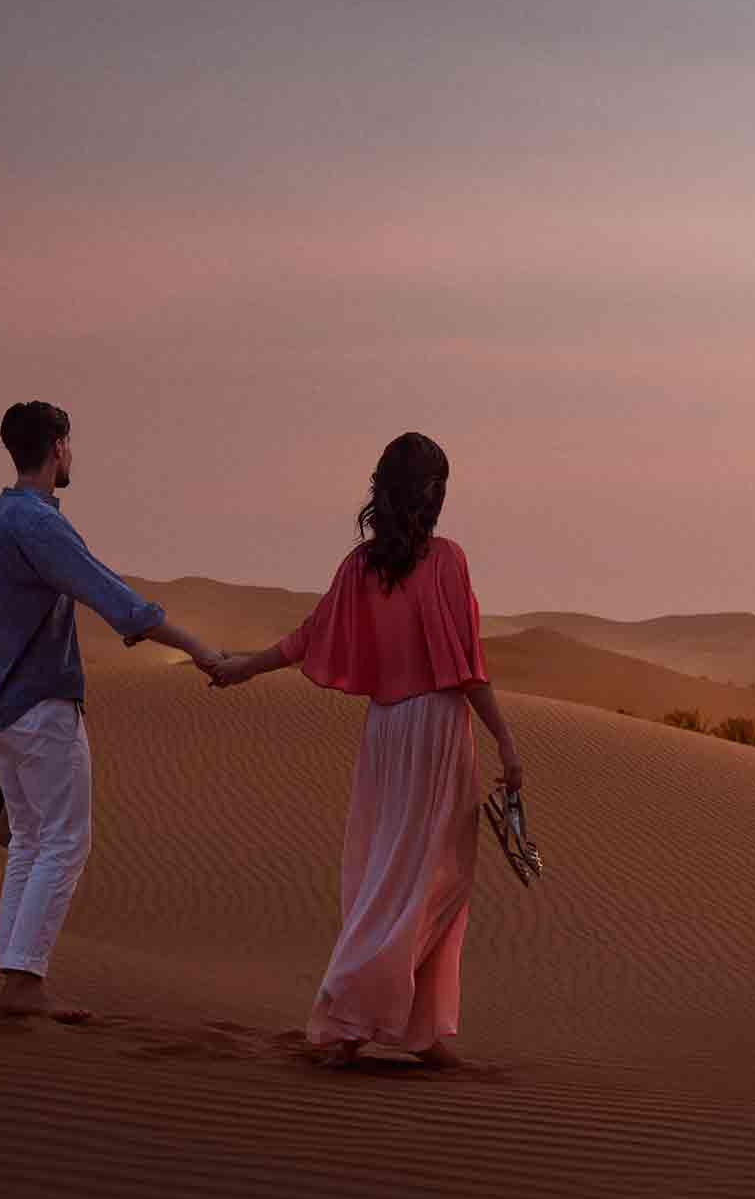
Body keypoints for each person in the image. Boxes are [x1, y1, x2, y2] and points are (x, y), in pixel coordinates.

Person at [206, 430, 525, 1068]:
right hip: (435, 731)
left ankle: (420, 1030)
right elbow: (467, 669)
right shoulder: (446, 561)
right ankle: (351, 1014)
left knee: (393, 875)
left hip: (385, 733)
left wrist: (243, 668)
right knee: (430, 881)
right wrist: (507, 743)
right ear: (433, 494)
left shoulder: (362, 567)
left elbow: (307, 636)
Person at [0, 398, 224, 1016]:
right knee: (62, 842)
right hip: (40, 706)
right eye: (69, 444)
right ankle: (24, 982)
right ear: (57, 449)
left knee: (31, 839)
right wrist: (197, 648)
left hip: (2, 709)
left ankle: (16, 973)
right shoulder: (36, 524)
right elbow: (116, 600)